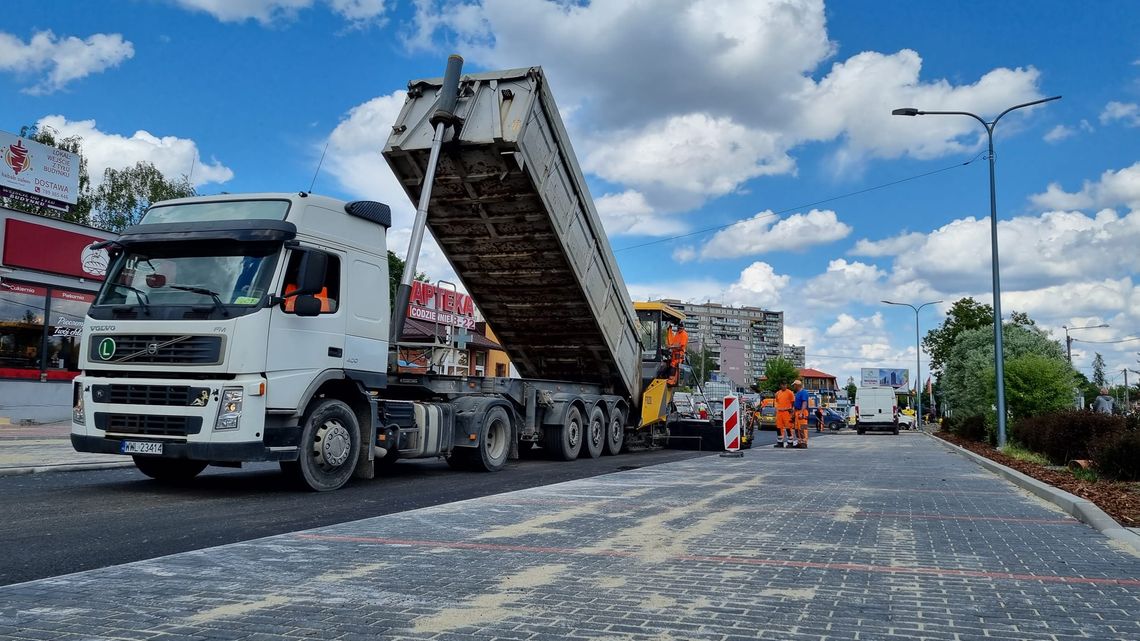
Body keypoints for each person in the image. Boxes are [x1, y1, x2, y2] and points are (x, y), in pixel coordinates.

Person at [773, 381, 795, 448]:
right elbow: (777, 402)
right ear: (780, 385)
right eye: (782, 385)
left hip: (787, 412)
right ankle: (780, 443)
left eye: (785, 385)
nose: (784, 386)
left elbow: (793, 402)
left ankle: (790, 443)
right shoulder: (778, 393)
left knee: (788, 427)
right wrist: (776, 410)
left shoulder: (790, 393)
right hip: (779, 412)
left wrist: (791, 410)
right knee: (779, 428)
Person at [792, 380, 810, 448]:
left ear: (797, 385)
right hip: (797, 411)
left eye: (794, 385)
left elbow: (804, 402)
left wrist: (801, 412)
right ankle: (799, 442)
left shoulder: (804, 392)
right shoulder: (797, 393)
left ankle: (804, 443)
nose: (793, 386)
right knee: (797, 428)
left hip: (802, 412)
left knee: (803, 428)